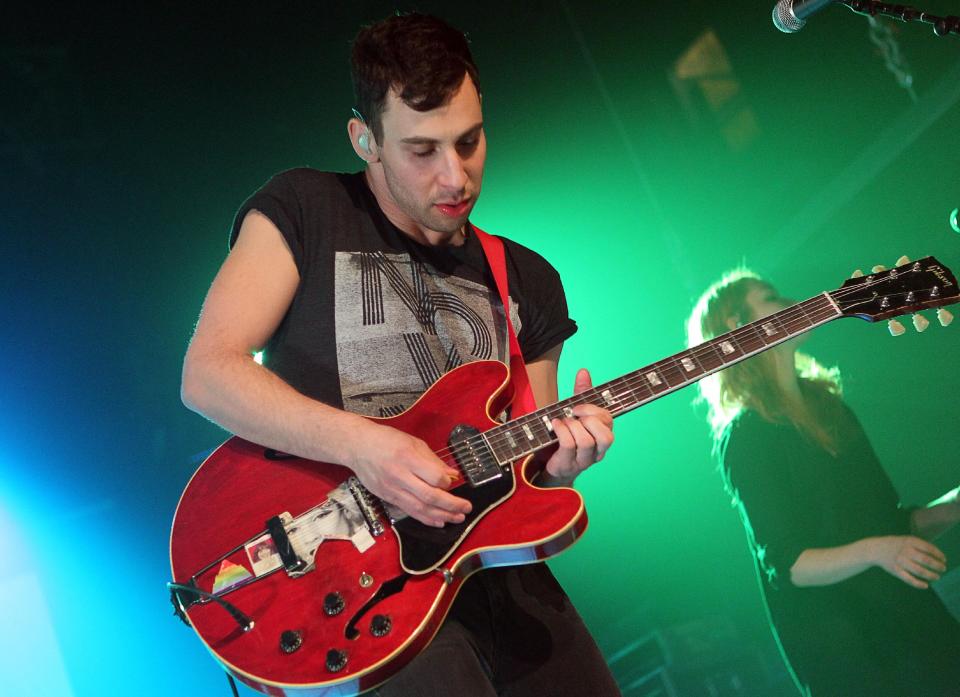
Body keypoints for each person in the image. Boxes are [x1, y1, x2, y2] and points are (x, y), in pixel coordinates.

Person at [180, 12, 621, 697]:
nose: (456, 175)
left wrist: (566, 461)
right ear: (366, 140)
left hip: (500, 575)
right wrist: (365, 446)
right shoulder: (305, 207)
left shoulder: (526, 276)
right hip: (359, 584)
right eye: (422, 150)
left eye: (469, 141)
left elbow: (536, 470)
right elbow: (208, 373)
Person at [686, 268, 960, 697]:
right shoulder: (745, 436)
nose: (790, 300)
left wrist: (955, 505)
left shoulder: (828, 406)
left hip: (912, 622)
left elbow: (891, 524)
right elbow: (789, 565)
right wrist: (878, 550)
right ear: (736, 327)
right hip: (854, 654)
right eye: (771, 296)